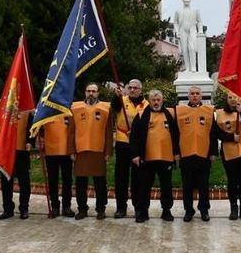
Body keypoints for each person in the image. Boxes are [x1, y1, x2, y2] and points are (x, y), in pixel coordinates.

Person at [130, 89, 180, 223]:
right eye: (153, 100)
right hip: (147, 158)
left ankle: (166, 210)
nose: (156, 102)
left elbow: (176, 135)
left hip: (166, 157)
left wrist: (176, 153)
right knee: (144, 186)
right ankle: (143, 211)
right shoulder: (141, 115)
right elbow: (134, 137)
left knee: (166, 186)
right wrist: (135, 154)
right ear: (149, 101)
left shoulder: (170, 114)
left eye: (158, 100)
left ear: (162, 100)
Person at [175, 86, 217, 222]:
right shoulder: (180, 111)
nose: (194, 96)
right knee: (187, 186)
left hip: (203, 154)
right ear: (188, 96)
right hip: (186, 154)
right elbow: (175, 134)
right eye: (192, 93)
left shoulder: (209, 111)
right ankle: (188, 210)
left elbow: (213, 134)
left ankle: (204, 210)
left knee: (203, 185)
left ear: (201, 96)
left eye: (197, 93)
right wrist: (176, 152)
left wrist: (213, 153)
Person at [71, 83, 113, 220]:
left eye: (93, 91)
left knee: (100, 183)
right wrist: (71, 150)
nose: (91, 93)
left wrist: (108, 151)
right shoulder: (75, 107)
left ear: (98, 93)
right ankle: (82, 209)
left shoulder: (106, 108)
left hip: (98, 151)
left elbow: (109, 132)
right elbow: (71, 131)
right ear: (84, 92)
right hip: (81, 151)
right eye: (88, 91)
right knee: (81, 183)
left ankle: (101, 209)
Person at [111, 79, 148, 218]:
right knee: (121, 177)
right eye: (130, 87)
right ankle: (121, 207)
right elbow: (114, 107)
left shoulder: (146, 104)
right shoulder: (121, 100)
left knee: (138, 178)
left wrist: (137, 132)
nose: (132, 90)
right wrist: (116, 95)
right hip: (123, 141)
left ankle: (138, 207)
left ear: (141, 89)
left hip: (138, 144)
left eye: (135, 88)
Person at [214, 94, 241, 220]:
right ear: (226, 99)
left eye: (236, 97)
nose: (233, 100)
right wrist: (231, 137)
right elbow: (216, 132)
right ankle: (233, 208)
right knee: (232, 181)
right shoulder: (220, 113)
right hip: (229, 151)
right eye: (230, 98)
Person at [0, 110, 33, 220]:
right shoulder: (2, 105)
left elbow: (32, 125)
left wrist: (30, 141)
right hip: (6, 149)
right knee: (6, 181)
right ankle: (8, 209)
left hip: (21, 149)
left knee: (24, 181)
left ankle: (24, 208)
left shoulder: (27, 107)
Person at [39, 116, 75, 218]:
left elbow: (73, 129)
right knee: (52, 180)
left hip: (66, 151)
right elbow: (39, 127)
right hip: (51, 150)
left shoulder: (67, 109)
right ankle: (54, 206)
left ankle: (66, 206)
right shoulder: (46, 110)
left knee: (67, 180)